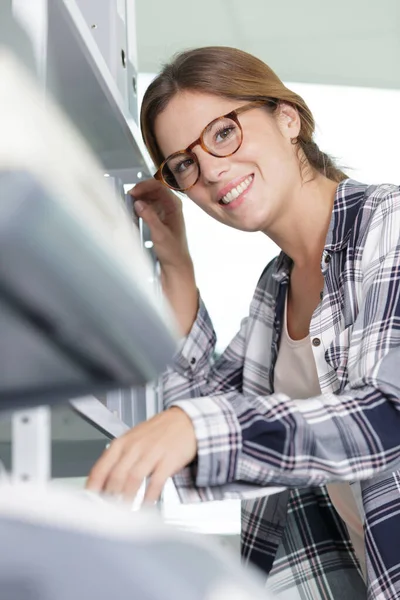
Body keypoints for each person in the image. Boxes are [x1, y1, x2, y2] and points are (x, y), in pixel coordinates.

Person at [86, 46, 400, 599]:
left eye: (222, 133)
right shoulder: (275, 288)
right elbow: (202, 409)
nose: (209, 170)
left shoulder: (389, 227)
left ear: (287, 117)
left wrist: (194, 429)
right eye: (184, 163)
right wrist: (177, 265)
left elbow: (388, 419)